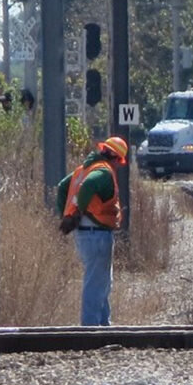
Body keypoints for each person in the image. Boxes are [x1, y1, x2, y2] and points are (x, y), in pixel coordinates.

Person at [56, 136, 128, 326]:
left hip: (85, 233)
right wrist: (78, 211)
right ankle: (90, 330)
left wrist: (67, 215)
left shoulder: (84, 169)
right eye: (119, 162)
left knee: (102, 283)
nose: (118, 166)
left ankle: (103, 326)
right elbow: (87, 186)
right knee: (96, 285)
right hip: (96, 234)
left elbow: (63, 187)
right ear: (115, 158)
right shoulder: (103, 172)